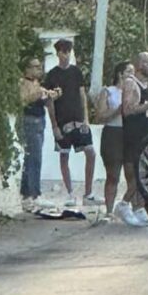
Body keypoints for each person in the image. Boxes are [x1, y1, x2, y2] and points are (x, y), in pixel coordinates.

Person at [43, 39, 104, 208]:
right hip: (63, 121)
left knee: (90, 152)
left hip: (79, 120)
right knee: (64, 155)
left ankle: (88, 192)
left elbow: (82, 95)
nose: (66, 54)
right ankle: (70, 193)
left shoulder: (76, 72)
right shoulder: (52, 75)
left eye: (69, 51)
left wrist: (86, 119)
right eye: (63, 51)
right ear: (58, 53)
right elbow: (49, 102)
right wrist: (55, 126)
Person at [116, 52, 148, 226]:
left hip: (146, 134)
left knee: (147, 171)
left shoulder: (146, 86)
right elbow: (128, 110)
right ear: (140, 64)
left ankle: (140, 208)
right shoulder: (131, 83)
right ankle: (123, 204)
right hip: (134, 135)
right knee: (138, 174)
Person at [19, 57, 60, 212]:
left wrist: (50, 95)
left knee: (35, 157)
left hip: (39, 121)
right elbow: (23, 99)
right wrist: (38, 94)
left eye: (40, 67)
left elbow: (44, 99)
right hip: (29, 121)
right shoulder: (23, 83)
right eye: (35, 67)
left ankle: (30, 193)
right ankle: (31, 195)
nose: (39, 70)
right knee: (33, 158)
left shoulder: (38, 85)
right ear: (27, 69)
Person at [94, 60, 134, 218]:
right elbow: (100, 116)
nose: (132, 75)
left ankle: (127, 205)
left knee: (132, 173)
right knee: (113, 174)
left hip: (130, 134)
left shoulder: (135, 92)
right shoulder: (108, 91)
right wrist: (118, 110)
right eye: (129, 71)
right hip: (113, 133)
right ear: (120, 74)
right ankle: (109, 210)